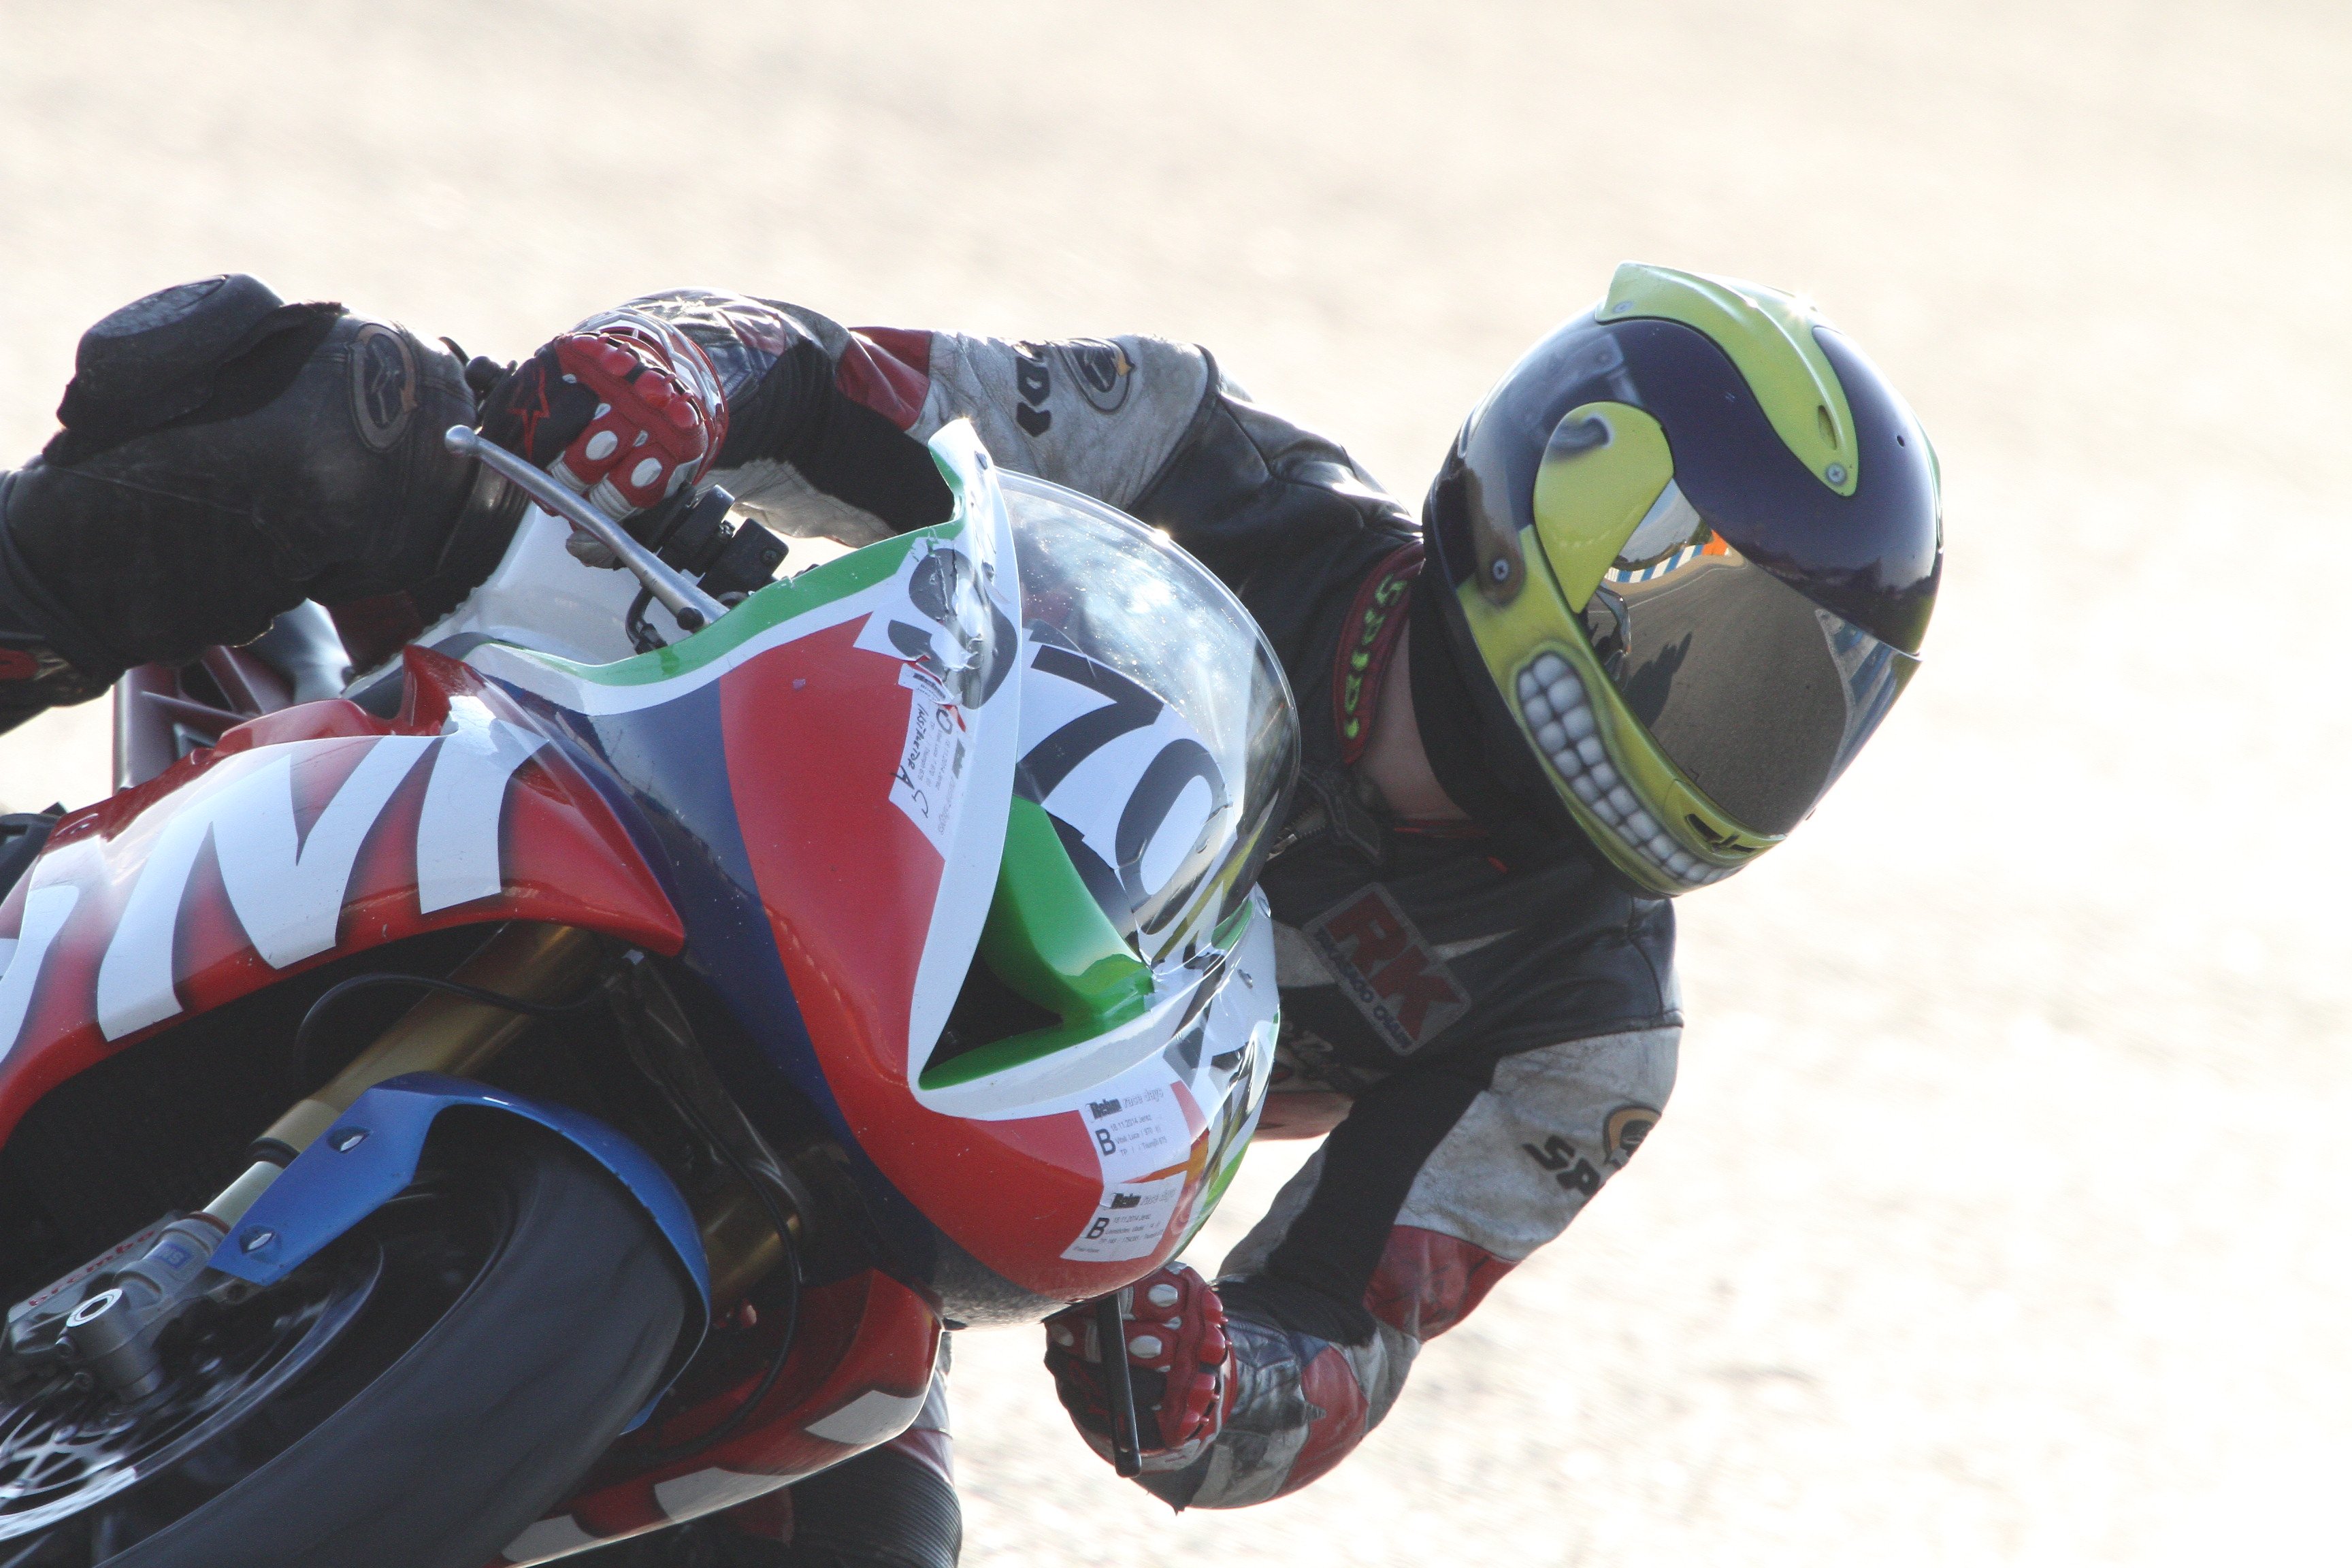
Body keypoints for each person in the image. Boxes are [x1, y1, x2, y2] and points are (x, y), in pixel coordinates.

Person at [0, 263, 1942, 1564]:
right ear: (1577, 518)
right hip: (745, 771)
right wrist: (675, 375)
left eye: (1814, 706)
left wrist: (1210, 1372)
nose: (1750, 736)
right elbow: (837, 376)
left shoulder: (1588, 1025)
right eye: (1739, 654)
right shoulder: (1208, 453)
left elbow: (1348, 1336)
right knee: (335, 414)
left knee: (873, 1543)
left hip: (897, 1158)